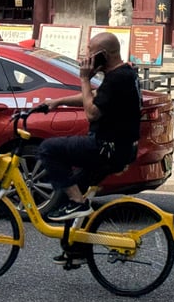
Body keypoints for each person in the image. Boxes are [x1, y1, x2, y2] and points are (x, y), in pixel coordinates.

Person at [38, 31, 142, 223]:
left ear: (103, 54)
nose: (86, 59)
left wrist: (84, 79)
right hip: (121, 149)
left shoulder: (117, 79)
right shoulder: (125, 73)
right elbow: (94, 97)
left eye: (91, 53)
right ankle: (75, 248)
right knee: (68, 195)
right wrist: (57, 101)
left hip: (105, 148)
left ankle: (79, 202)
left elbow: (92, 112)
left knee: (48, 149)